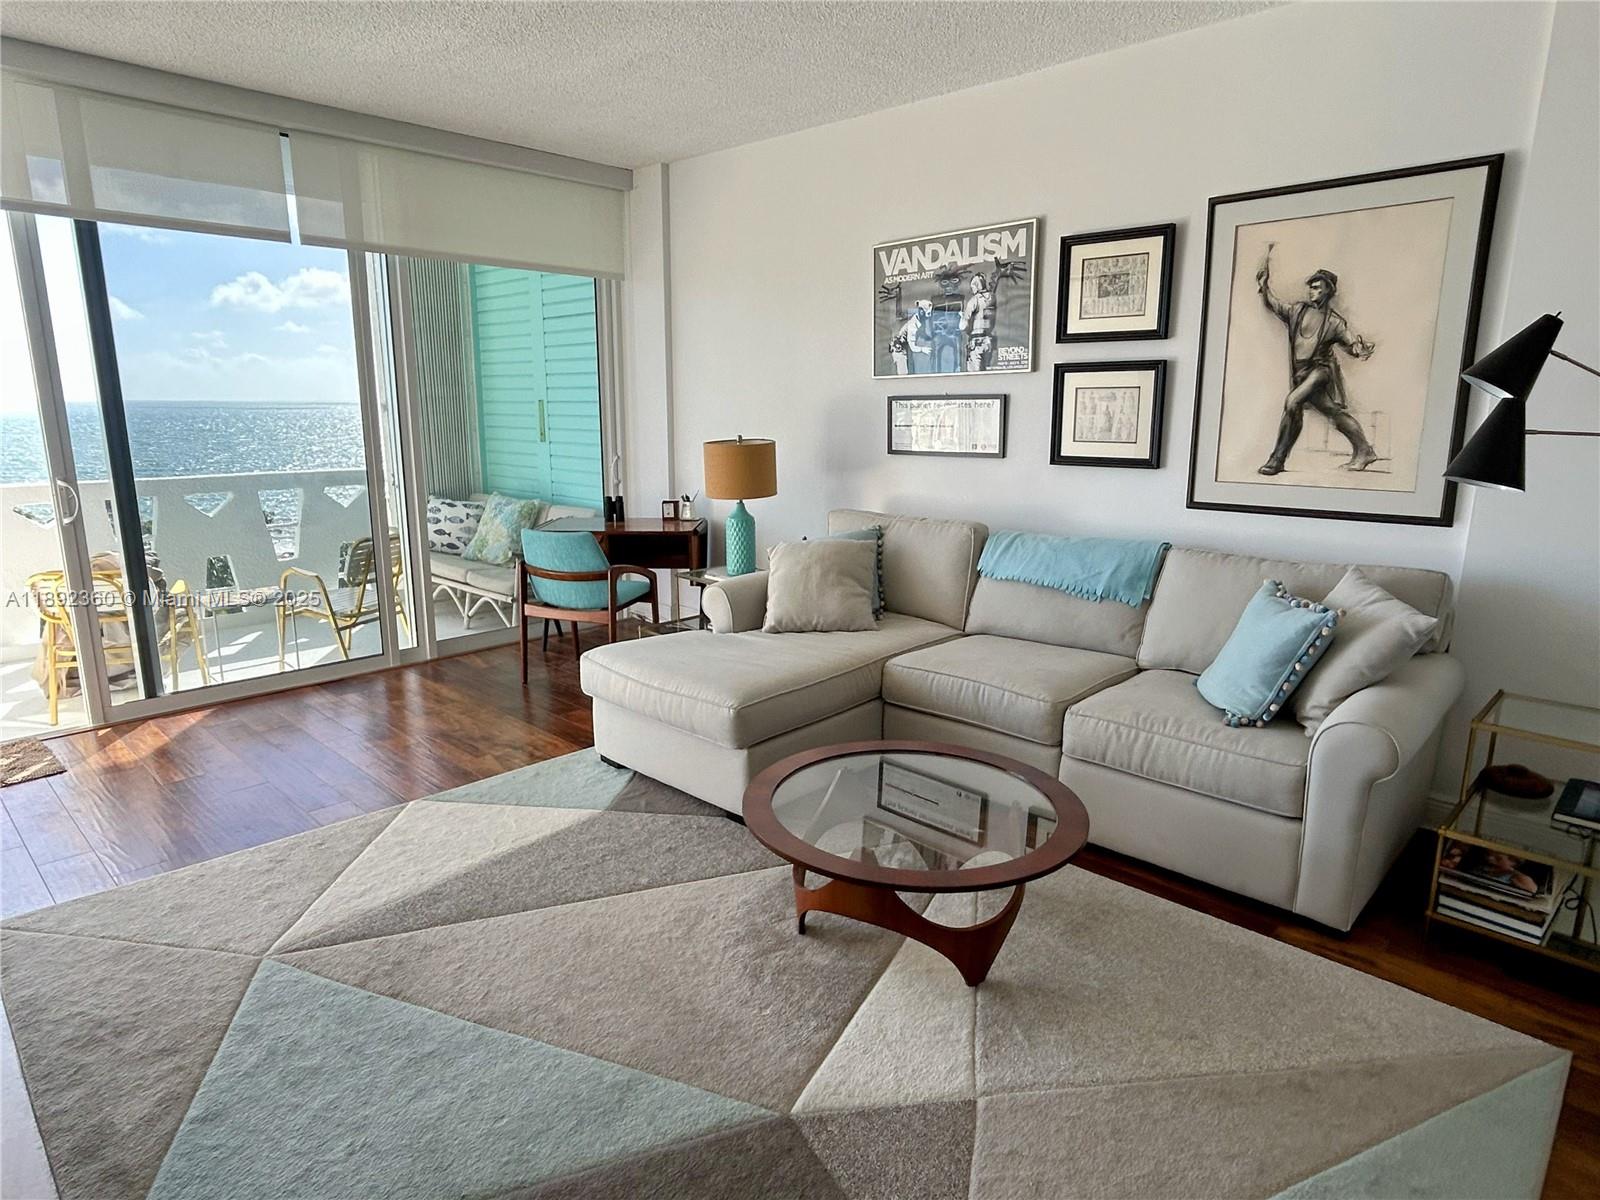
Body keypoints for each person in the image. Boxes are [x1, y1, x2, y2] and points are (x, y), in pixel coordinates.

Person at [1255, 264, 1380, 476]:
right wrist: (1264, 286)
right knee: (1331, 411)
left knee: (1292, 402)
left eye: (1317, 287)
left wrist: (1359, 349)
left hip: (1321, 372)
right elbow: (1273, 304)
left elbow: (1351, 344)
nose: (1311, 290)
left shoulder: (1334, 322)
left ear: (1328, 291)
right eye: (1311, 287)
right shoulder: (1297, 311)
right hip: (1302, 375)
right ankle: (1364, 450)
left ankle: (1277, 459)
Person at [960, 273, 997, 371]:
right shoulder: (992, 297)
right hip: (988, 342)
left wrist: (961, 319)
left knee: (974, 374)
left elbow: (963, 326)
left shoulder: (974, 300)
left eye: (972, 287)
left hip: (976, 342)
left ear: (975, 286)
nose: (971, 290)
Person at [887, 299, 934, 375]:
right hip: (899, 350)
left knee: (911, 371)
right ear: (921, 312)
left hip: (905, 347)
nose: (929, 316)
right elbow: (913, 347)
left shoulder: (919, 319)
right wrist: (923, 349)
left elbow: (923, 333)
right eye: (928, 313)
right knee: (904, 374)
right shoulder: (912, 325)